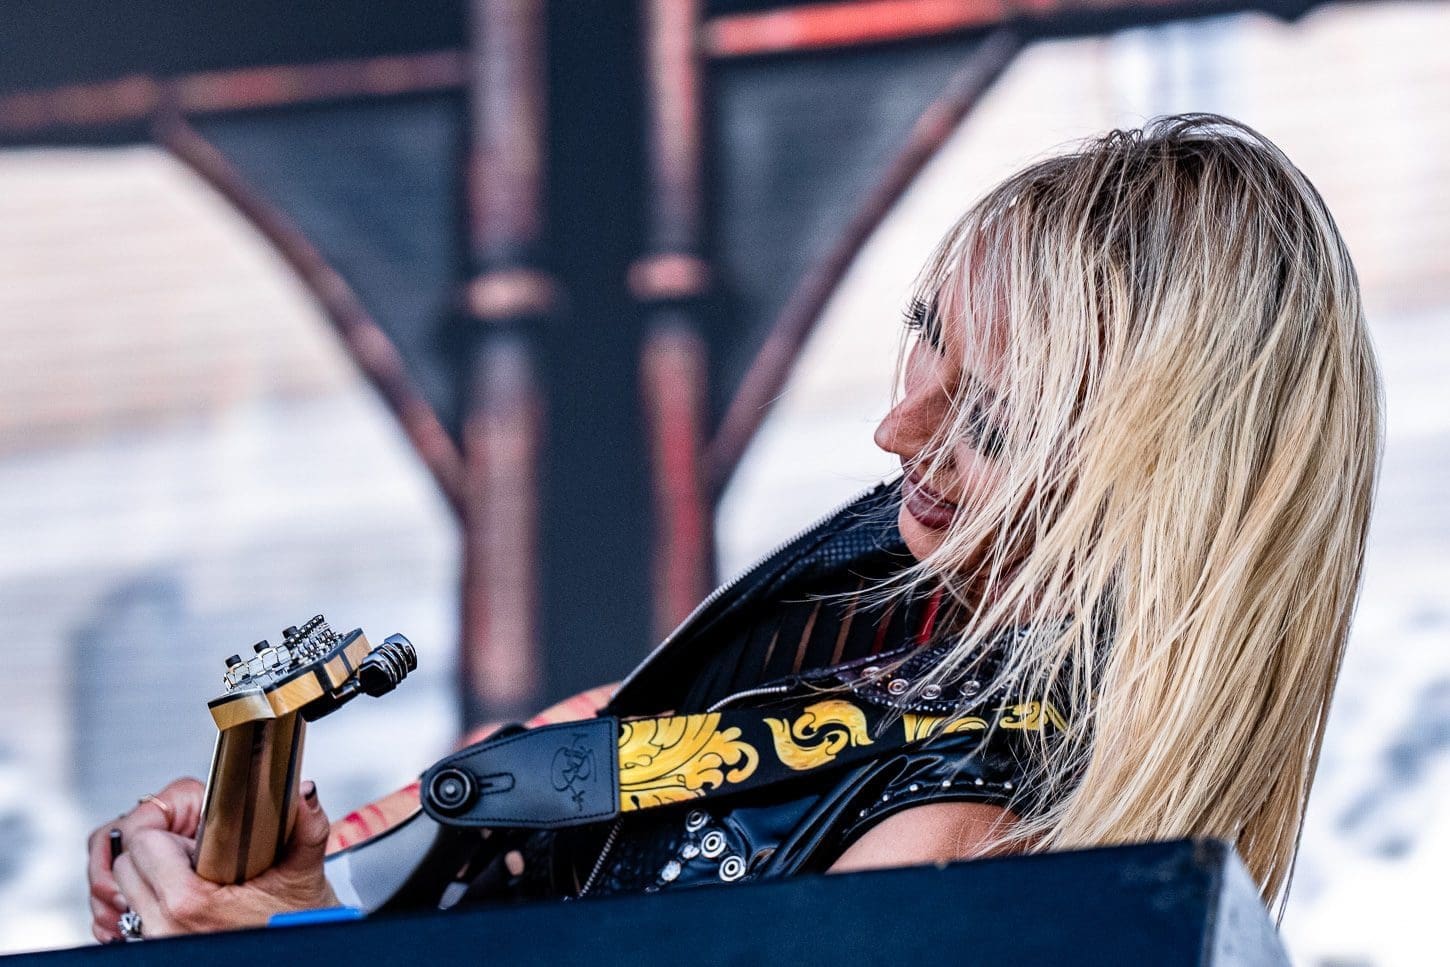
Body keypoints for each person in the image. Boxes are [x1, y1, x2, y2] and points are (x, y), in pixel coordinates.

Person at [86, 113, 1382, 940]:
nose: (895, 434)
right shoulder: (846, 673)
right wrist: (286, 893)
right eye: (918, 350)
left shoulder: (966, 847)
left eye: (986, 416)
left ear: (1143, 478)